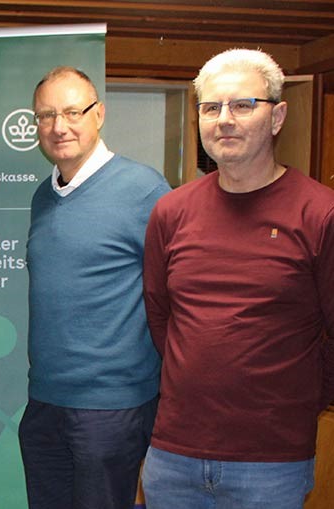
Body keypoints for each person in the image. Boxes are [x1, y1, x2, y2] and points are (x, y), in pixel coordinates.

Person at [142, 48, 334, 508]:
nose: (224, 119)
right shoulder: (171, 211)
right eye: (211, 107)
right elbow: (161, 317)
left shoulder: (320, 213)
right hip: (173, 454)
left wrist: (295, 399)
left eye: (243, 105)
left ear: (277, 116)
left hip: (272, 462)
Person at [19, 66, 169, 509]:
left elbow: (175, 293)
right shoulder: (43, 196)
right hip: (44, 402)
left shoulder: (145, 190)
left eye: (72, 112)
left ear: (99, 114)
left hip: (111, 408)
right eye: (46, 115)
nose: (59, 126)